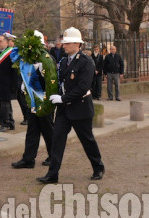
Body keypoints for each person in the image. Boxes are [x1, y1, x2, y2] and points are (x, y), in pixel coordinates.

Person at [37, 27, 105, 184]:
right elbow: (58, 81)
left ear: (77, 44)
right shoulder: (63, 61)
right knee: (57, 140)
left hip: (80, 108)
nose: (64, 45)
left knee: (87, 140)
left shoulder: (86, 62)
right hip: (64, 109)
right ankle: (52, 174)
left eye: (67, 43)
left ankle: (98, 167)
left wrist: (63, 98)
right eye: (64, 42)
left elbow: (83, 87)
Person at [11, 30, 54, 169]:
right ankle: (28, 159)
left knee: (48, 130)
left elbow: (51, 81)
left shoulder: (47, 58)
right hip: (32, 100)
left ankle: (54, 156)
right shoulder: (28, 61)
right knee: (32, 129)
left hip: (44, 99)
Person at [0, 34, 18, 131]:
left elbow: (15, 71)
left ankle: (6, 123)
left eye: (1, 41)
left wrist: (14, 85)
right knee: (4, 103)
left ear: (7, 42)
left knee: (5, 104)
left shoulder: (11, 53)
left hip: (8, 83)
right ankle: (10, 122)